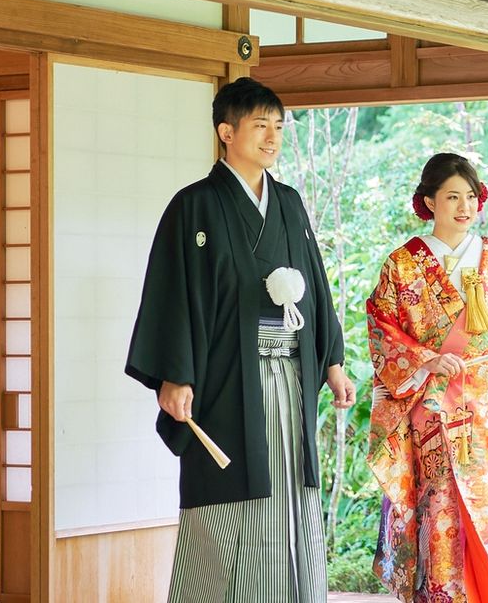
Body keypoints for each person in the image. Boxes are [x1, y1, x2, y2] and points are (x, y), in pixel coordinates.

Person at [126, 76, 356, 603]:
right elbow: (171, 292)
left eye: (278, 127)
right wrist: (174, 374)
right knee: (227, 494)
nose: (273, 137)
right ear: (226, 132)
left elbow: (316, 285)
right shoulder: (194, 206)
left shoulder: (289, 203)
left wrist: (332, 362)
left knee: (290, 491)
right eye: (260, 126)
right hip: (225, 381)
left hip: (290, 379)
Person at [366, 151, 488, 603]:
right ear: (429, 201)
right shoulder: (402, 265)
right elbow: (381, 327)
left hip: (487, 409)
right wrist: (427, 359)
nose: (464, 207)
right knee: (440, 509)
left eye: (470, 196)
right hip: (432, 407)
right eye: (452, 197)